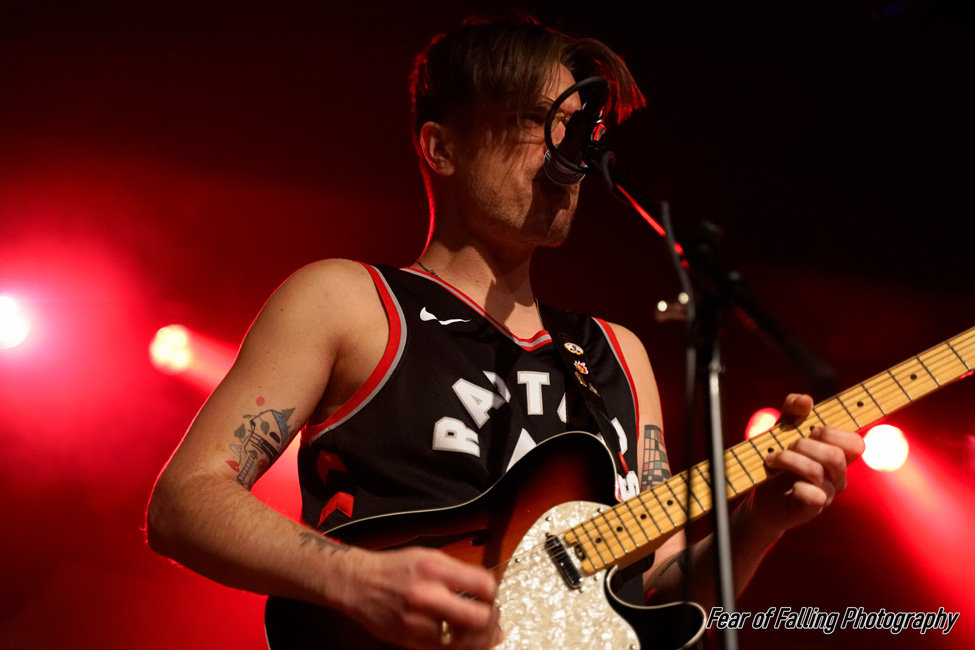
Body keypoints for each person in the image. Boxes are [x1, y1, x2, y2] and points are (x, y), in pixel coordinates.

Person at [146, 17, 865, 650]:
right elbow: (184, 502)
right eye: (536, 121)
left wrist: (759, 522)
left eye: (583, 128)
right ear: (441, 148)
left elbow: (656, 598)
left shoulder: (616, 355)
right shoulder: (348, 299)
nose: (569, 153)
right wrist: (356, 580)